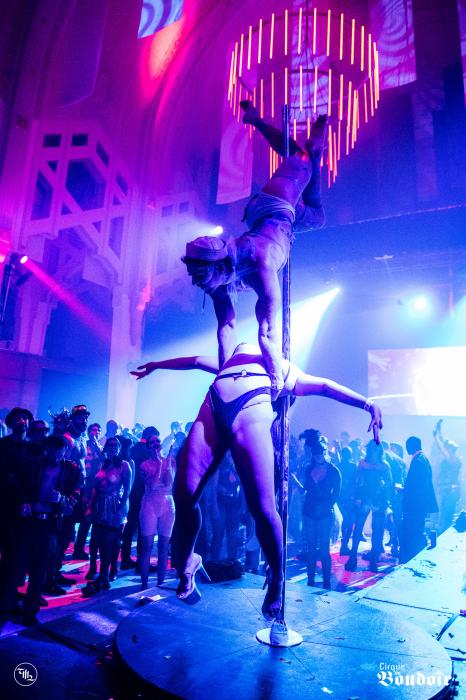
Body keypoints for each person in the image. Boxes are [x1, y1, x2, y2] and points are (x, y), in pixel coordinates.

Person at [132, 345, 382, 619]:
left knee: (262, 508)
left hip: (250, 413)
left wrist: (367, 404)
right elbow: (193, 360)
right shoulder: (230, 361)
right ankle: (190, 559)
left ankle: (277, 578)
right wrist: (157, 364)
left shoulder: (286, 371)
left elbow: (325, 386)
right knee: (184, 494)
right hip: (216, 407)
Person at [182, 104, 326, 397]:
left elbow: (268, 332)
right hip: (276, 222)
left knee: (301, 157)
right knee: (318, 216)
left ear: (218, 267)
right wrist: (223, 377)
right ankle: (316, 153)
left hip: (275, 201)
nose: (200, 286)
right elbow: (226, 328)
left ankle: (260, 122)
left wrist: (275, 382)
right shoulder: (216, 281)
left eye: (202, 279)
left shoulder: (261, 265)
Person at [82, 437, 131, 594]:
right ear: (106, 447)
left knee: (111, 542)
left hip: (114, 506)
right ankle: (96, 570)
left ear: (119, 448)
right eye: (110, 445)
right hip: (99, 505)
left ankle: (108, 573)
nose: (113, 447)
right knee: (95, 540)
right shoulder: (102, 463)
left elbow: (127, 490)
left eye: (116, 445)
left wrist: (119, 510)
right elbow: (94, 487)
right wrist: (90, 507)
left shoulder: (125, 465)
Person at [295, 429, 341, 589]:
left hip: (325, 514)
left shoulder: (334, 471)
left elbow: (336, 495)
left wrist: (326, 505)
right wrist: (294, 482)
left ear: (325, 452)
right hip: (309, 512)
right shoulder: (308, 469)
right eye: (315, 454)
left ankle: (327, 582)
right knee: (311, 550)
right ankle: (310, 581)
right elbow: (305, 490)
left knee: (324, 550)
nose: (318, 456)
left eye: (320, 453)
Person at [345, 440, 392, 573]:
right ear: (370, 449)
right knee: (358, 528)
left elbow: (389, 483)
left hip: (379, 500)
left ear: (380, 451)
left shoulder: (384, 465)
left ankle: (373, 560)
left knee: (377, 530)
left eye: (377, 449)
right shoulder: (363, 463)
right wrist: (356, 497)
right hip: (364, 498)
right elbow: (357, 481)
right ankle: (353, 557)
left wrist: (387, 499)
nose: (374, 451)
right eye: (373, 449)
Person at [139, 435, 175, 589]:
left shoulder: (170, 461)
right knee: (147, 545)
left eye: (157, 442)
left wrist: (166, 462)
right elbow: (152, 485)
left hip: (167, 503)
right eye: (152, 442)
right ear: (148, 447)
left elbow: (169, 482)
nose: (155, 444)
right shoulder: (144, 465)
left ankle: (160, 583)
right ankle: (144, 584)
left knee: (163, 546)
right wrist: (160, 464)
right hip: (150, 503)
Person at [399, 436, 438, 563]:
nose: (406, 449)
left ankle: (412, 557)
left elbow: (416, 485)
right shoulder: (422, 459)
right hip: (419, 504)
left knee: (413, 530)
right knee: (417, 529)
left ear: (412, 446)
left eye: (407, 445)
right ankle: (415, 556)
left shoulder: (418, 461)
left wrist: (404, 490)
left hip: (415, 504)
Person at [433, 420, 461, 533]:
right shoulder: (453, 457)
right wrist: (439, 432)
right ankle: (443, 531)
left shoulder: (452, 459)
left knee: (446, 515)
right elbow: (444, 445)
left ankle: (443, 532)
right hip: (448, 490)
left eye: (447, 448)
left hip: (449, 491)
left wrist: (435, 437)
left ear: (451, 449)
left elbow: (442, 448)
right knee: (444, 514)